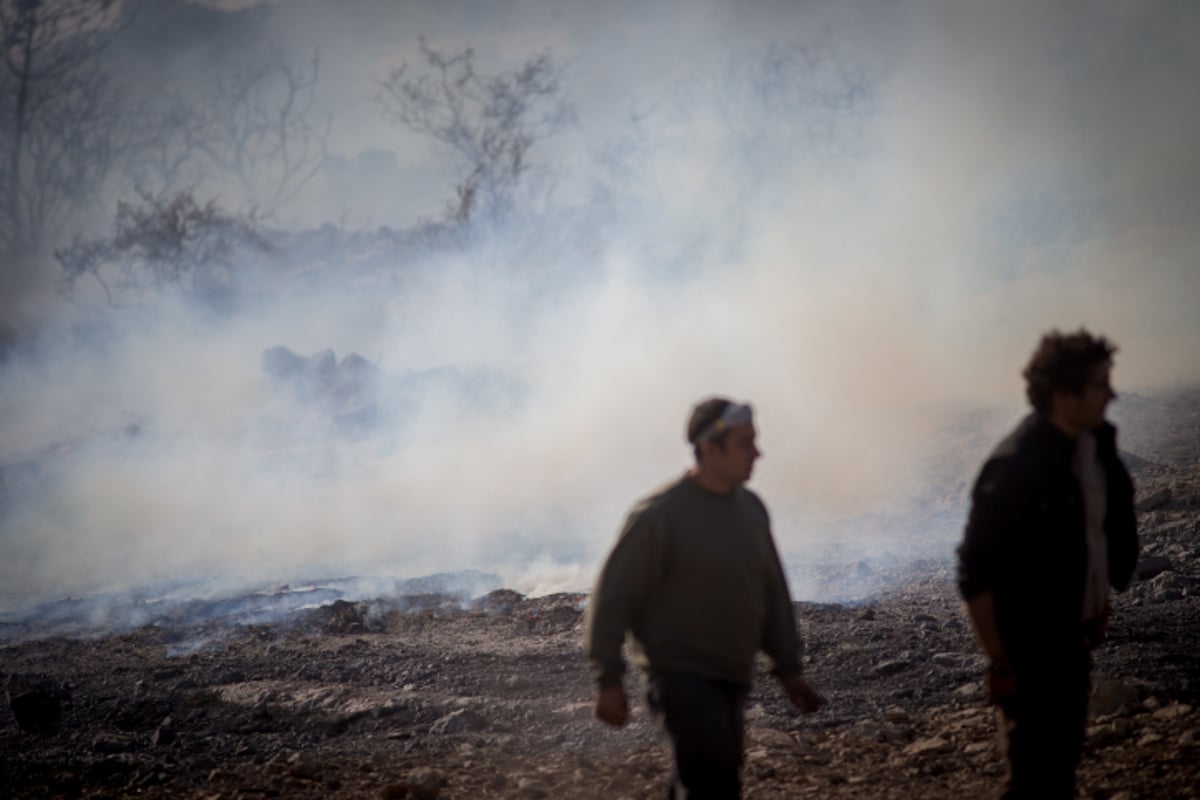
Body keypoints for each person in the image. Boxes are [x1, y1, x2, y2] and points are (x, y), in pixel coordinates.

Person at [585, 397, 822, 799]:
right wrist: (607, 679)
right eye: (746, 443)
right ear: (711, 449)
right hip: (678, 676)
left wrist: (789, 670)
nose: (758, 453)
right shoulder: (660, 515)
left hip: (731, 676)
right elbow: (613, 596)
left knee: (708, 779)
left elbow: (772, 593)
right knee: (711, 781)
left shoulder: (751, 510)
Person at [957, 328, 1139, 799]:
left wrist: (1098, 597)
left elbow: (1097, 531)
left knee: (1060, 768)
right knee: (1037, 776)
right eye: (1100, 384)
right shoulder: (1015, 465)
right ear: (1064, 395)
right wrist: (999, 659)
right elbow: (974, 573)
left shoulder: (1094, 448)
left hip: (1072, 641)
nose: (1112, 394)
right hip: (1030, 649)